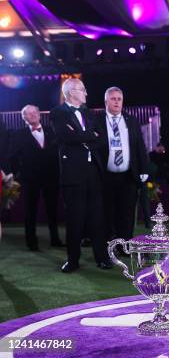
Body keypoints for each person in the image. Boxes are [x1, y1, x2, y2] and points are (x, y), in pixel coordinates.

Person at [50, 78, 111, 272]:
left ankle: (102, 258)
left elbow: (102, 139)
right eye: (83, 90)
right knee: (75, 218)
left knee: (97, 218)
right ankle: (73, 260)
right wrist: (89, 137)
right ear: (71, 92)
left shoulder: (89, 112)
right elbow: (66, 136)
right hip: (72, 174)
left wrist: (84, 139)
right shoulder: (57, 113)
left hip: (93, 172)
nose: (86, 93)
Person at [97, 87, 149, 243]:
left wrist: (144, 169)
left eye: (119, 99)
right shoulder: (96, 121)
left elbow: (140, 146)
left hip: (128, 175)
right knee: (107, 212)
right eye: (113, 99)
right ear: (106, 101)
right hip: (105, 176)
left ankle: (125, 244)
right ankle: (109, 245)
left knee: (126, 213)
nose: (116, 102)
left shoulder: (131, 120)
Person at [8, 105, 63, 250]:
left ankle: (55, 239)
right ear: (24, 118)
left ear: (39, 114)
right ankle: (31, 242)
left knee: (52, 209)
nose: (32, 115)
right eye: (28, 114)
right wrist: (19, 174)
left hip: (51, 177)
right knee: (30, 211)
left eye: (34, 112)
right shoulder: (17, 134)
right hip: (29, 179)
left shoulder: (52, 131)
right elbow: (12, 157)